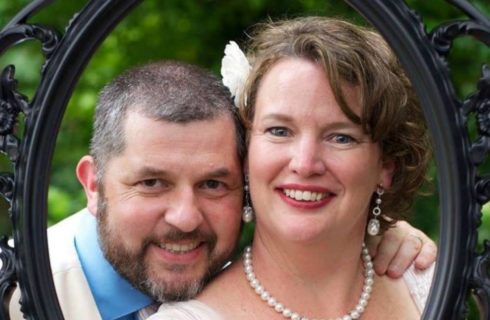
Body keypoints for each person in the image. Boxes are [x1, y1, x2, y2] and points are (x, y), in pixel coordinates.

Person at [7, 60, 433, 320]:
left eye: (213, 184)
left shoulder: (406, 273)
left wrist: (374, 227)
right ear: (93, 185)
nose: (186, 217)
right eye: (152, 183)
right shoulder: (17, 292)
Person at [149, 17, 434, 320]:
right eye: (279, 131)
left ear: (386, 167)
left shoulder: (428, 282)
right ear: (246, 155)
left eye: (341, 137)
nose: (305, 163)